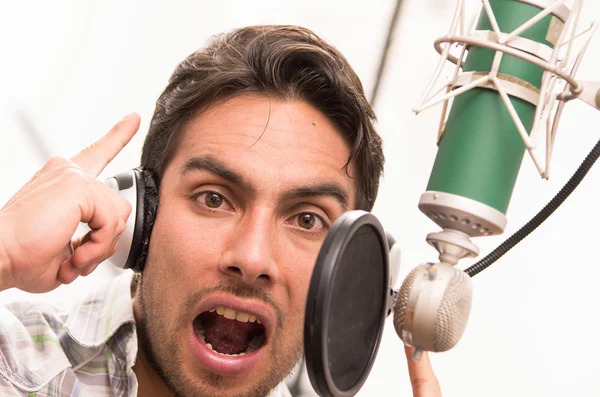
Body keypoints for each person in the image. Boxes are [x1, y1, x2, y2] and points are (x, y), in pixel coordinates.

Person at [0, 25, 441, 397]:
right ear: (139, 218)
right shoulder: (15, 367)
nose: (250, 259)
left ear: (348, 280)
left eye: (307, 219)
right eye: (214, 198)